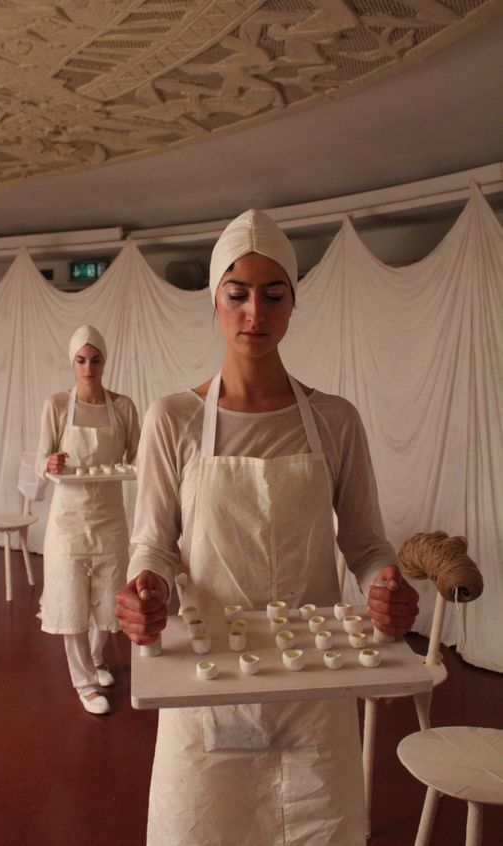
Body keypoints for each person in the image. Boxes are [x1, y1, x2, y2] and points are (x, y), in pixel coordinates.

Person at [115, 210, 419, 844]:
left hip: (314, 677)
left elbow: (364, 544)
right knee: (204, 825)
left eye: (273, 294)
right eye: (238, 294)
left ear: (292, 303)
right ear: (215, 302)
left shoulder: (336, 420)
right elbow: (153, 542)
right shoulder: (172, 419)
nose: (256, 312)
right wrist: (145, 583)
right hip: (210, 680)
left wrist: (384, 584)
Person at [36, 324, 140, 715]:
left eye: (95, 360)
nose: (88, 367)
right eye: (81, 360)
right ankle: (85, 683)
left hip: (110, 515)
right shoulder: (57, 406)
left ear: (104, 361)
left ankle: (97, 659)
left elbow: (137, 455)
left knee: (107, 593)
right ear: (72, 362)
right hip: (68, 520)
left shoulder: (123, 406)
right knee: (70, 598)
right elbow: (40, 457)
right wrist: (49, 463)